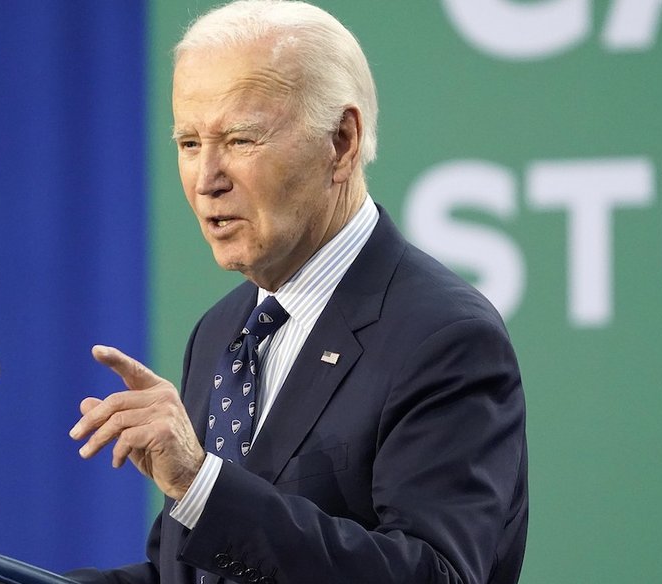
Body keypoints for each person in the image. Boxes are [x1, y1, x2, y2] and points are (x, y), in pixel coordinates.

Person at [67, 1, 527, 583]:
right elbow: (190, 572)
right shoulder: (221, 331)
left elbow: (435, 574)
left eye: (239, 140)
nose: (207, 178)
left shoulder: (444, 337)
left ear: (341, 142)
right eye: (188, 143)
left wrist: (198, 483)